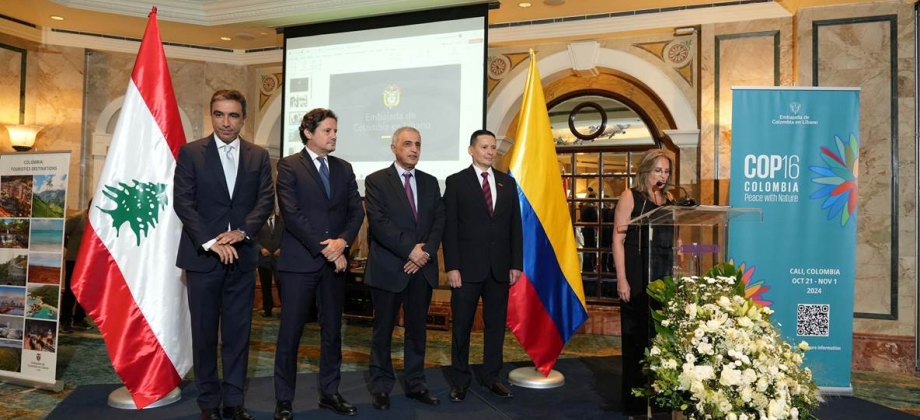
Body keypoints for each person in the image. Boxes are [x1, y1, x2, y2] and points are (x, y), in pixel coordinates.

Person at [173, 89, 275, 420]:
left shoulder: (258, 155)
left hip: (243, 257)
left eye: (233, 115)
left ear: (243, 118)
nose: (226, 122)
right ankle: (208, 404)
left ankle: (234, 401)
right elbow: (183, 202)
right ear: (211, 115)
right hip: (202, 259)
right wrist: (209, 242)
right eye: (219, 114)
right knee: (204, 335)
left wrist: (242, 232)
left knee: (237, 334)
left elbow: (264, 201)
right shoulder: (190, 153)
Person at [273, 108, 364, 419]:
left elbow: (356, 212)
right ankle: (284, 398)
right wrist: (328, 249)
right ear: (309, 133)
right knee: (290, 333)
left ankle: (330, 392)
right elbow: (292, 214)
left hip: (334, 266)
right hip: (300, 264)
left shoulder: (344, 168)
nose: (334, 135)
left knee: (332, 332)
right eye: (327, 130)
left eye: (335, 130)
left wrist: (343, 242)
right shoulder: (289, 166)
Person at [364, 126, 445, 410]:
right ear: (394, 147)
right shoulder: (376, 181)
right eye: (408, 144)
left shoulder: (431, 182)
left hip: (421, 269)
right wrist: (409, 250)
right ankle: (381, 386)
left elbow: (438, 222)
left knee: (417, 331)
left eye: (418, 145)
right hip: (388, 268)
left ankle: (416, 384)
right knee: (382, 331)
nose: (414, 149)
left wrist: (425, 252)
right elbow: (379, 223)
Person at [443, 129, 523, 402]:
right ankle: (460, 379)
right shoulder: (456, 182)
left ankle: (491, 377)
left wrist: (516, 263)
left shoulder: (506, 183)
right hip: (465, 270)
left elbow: (515, 226)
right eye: (485, 147)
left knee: (495, 326)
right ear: (471, 150)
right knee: (462, 326)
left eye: (493, 148)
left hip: (499, 269)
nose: (490, 152)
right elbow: (449, 228)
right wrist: (452, 266)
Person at [612, 149, 674, 417]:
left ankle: (660, 396)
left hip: (663, 272)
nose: (663, 175)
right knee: (637, 338)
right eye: (658, 170)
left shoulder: (669, 199)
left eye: (667, 171)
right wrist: (622, 279)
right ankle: (635, 402)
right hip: (637, 272)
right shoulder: (630, 196)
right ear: (646, 171)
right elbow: (618, 240)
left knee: (660, 337)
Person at [61, 201, 92, 333]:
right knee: (70, 291)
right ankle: (66, 321)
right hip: (73, 260)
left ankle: (79, 319)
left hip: (89, 261)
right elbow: (62, 232)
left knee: (84, 291)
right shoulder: (77, 218)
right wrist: (69, 247)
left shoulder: (97, 221)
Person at [257, 210, 284, 317]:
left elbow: (287, 236)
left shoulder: (281, 220)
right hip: (264, 259)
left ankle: (285, 309)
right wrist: (261, 248)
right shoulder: (259, 220)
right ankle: (267, 310)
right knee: (265, 285)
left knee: (281, 284)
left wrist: (282, 248)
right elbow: (253, 237)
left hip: (279, 258)